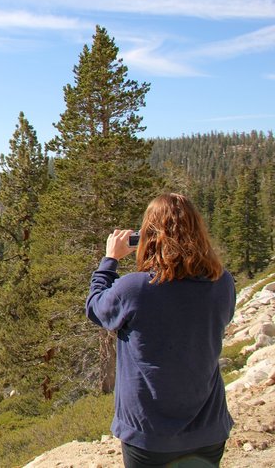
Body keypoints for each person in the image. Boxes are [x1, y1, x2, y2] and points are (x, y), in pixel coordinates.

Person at [86, 193, 235, 468]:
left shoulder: (135, 288)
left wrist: (110, 260)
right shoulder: (222, 282)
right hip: (208, 430)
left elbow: (96, 308)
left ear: (149, 236)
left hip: (149, 435)